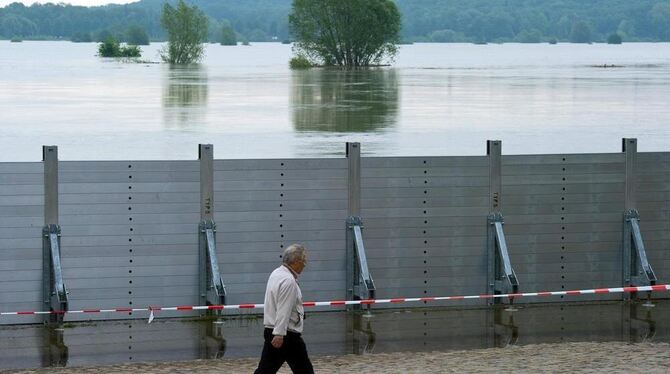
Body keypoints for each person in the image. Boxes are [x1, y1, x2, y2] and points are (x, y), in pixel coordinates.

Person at [255, 244, 314, 374]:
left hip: (273, 330)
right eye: (304, 261)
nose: (305, 264)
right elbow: (284, 309)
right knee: (304, 370)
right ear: (296, 262)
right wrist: (279, 334)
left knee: (265, 370)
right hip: (286, 335)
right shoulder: (289, 281)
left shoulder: (276, 273)